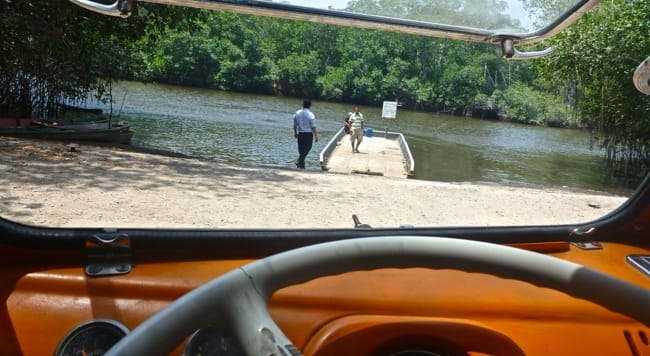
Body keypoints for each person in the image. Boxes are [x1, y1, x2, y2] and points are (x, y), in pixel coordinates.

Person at [293, 99, 319, 169]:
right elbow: (313, 126)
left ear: (303, 105)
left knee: (301, 149)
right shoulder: (310, 114)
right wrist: (316, 136)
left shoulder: (297, 113)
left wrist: (295, 133)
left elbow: (295, 125)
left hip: (300, 134)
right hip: (308, 134)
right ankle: (300, 161)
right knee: (308, 147)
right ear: (310, 106)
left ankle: (301, 164)